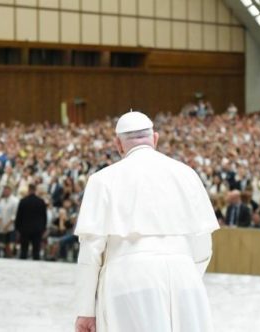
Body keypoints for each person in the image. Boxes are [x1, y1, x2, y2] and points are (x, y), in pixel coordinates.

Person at [74, 111, 219, 332]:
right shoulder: (187, 174)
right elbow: (203, 245)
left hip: (129, 278)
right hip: (184, 275)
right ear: (155, 139)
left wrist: (85, 311)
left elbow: (90, 251)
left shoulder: (102, 180)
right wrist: (185, 277)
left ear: (119, 145)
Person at [15, 184, 47, 260]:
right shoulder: (41, 202)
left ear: (28, 190)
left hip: (25, 229)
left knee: (24, 251)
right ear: (35, 190)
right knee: (36, 251)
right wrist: (43, 228)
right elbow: (44, 217)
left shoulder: (23, 201)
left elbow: (18, 216)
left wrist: (18, 228)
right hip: (37, 229)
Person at [0, 186, 19, 258]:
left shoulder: (15, 201)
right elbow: (0, 213)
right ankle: (4, 255)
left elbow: (14, 215)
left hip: (11, 225)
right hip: (2, 225)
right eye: (4, 190)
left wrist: (7, 225)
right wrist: (1, 224)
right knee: (2, 244)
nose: (5, 192)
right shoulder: (2, 201)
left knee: (10, 244)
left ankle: (11, 256)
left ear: (10, 190)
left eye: (6, 190)